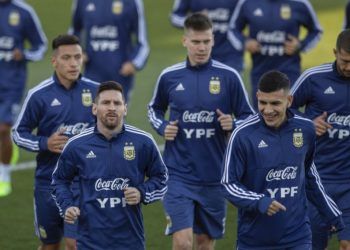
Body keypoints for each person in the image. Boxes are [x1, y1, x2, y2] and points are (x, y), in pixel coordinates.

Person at [148, 13, 255, 250]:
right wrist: (162, 126)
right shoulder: (169, 76)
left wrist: (234, 125)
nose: (202, 47)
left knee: (205, 244)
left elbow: (249, 117)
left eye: (206, 41)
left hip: (215, 176)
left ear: (213, 40)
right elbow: (153, 109)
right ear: (185, 41)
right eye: (196, 42)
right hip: (178, 174)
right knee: (183, 243)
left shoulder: (229, 77)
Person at [221, 70, 344, 250]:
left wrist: (331, 214)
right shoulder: (242, 135)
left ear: (289, 101)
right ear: (257, 96)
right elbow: (227, 183)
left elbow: (310, 176)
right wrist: (259, 201)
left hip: (298, 237)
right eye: (262, 102)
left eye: (275, 103)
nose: (268, 110)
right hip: (254, 241)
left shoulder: (306, 129)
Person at [52, 81, 168, 250]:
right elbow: (59, 181)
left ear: (125, 108)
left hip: (130, 241)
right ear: (94, 109)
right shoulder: (76, 145)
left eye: (117, 103)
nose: (112, 107)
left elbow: (162, 178)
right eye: (106, 103)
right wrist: (67, 205)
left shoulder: (143, 142)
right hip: (89, 242)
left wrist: (142, 192)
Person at [12, 34, 99, 250]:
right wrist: (45, 143)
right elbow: (17, 133)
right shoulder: (39, 95)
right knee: (50, 244)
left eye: (77, 57)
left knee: (75, 242)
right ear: (54, 61)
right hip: (47, 182)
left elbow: (115, 130)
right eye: (67, 57)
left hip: (83, 182)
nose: (73, 63)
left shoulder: (97, 91)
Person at [291, 30, 350, 250]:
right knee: (315, 245)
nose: (349, 67)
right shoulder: (314, 77)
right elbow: (284, 111)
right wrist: (308, 123)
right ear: (335, 53)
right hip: (317, 180)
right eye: (345, 61)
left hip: (348, 181)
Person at [227, 0, 322, 108]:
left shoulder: (300, 3)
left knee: (288, 113)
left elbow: (316, 30)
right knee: (262, 114)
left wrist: (300, 45)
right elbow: (232, 29)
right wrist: (245, 43)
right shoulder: (247, 3)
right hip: (260, 71)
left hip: (289, 71)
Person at [0, 0, 47, 196]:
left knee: (2, 129)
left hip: (12, 84)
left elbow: (41, 46)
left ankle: (4, 177)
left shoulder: (23, 12)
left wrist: (25, 54)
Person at [68, 0, 150, 102]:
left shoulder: (132, 2)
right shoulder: (81, 2)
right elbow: (74, 31)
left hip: (120, 74)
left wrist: (134, 63)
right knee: (89, 114)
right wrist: (77, 53)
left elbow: (142, 42)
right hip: (91, 73)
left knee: (114, 115)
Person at [170, 0, 243, 71]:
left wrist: (244, 42)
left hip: (230, 54)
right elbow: (175, 17)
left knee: (228, 80)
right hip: (199, 53)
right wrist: (195, 20)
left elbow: (250, 13)